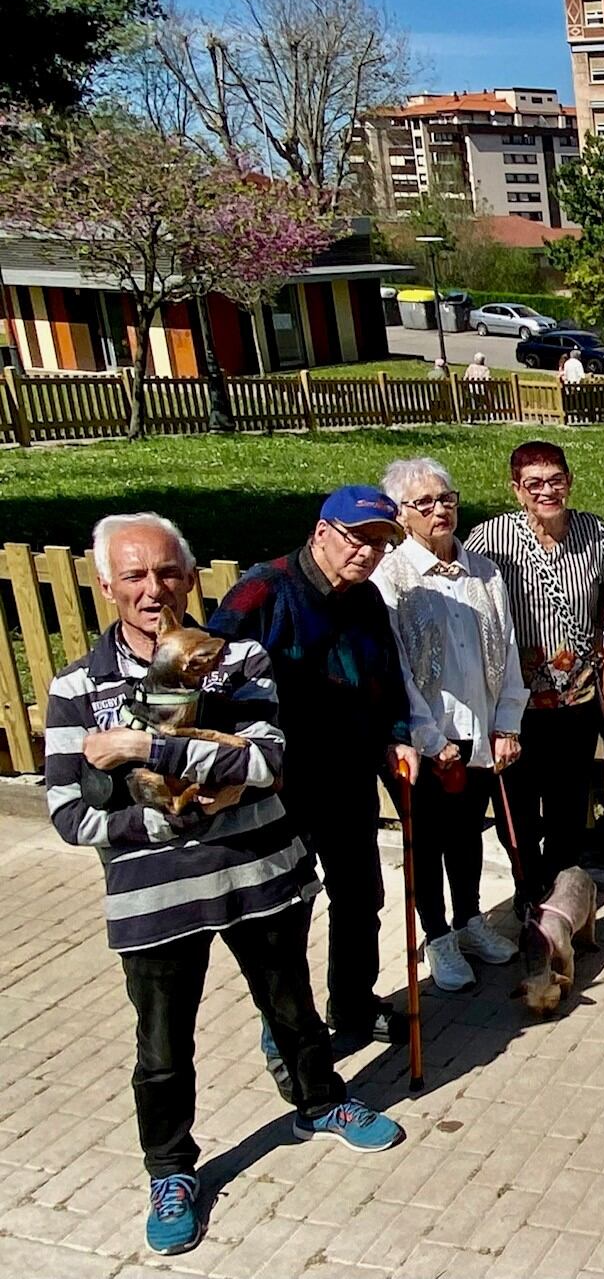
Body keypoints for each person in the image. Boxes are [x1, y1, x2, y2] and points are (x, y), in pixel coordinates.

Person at [46, 513, 402, 1257]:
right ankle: (171, 1169)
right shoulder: (78, 685)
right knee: (163, 1045)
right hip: (155, 895)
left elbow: (268, 759)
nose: (155, 589)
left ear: (191, 575)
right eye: (136, 575)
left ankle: (320, 1101)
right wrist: (174, 819)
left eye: (168, 572)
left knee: (294, 1008)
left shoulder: (233, 659)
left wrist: (144, 748)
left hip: (256, 874)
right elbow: (70, 811)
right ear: (106, 584)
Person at [210, 487, 422, 1047]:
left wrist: (398, 737)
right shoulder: (265, 590)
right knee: (288, 910)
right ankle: (291, 1031)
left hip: (349, 776)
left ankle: (353, 1004)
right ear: (322, 531)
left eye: (381, 544)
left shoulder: (368, 600)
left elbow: (387, 679)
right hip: (283, 784)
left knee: (360, 897)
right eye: (360, 539)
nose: (369, 553)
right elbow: (213, 677)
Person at [372, 457, 530, 992]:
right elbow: (393, 670)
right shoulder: (390, 580)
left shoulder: (483, 570)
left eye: (447, 499)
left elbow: (506, 649)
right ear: (402, 515)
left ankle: (469, 922)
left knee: (467, 835)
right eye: (424, 503)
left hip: (479, 732)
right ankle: (437, 935)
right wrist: (431, 740)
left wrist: (507, 723)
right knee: (427, 842)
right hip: (424, 741)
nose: (440, 510)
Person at [467, 442, 604, 910]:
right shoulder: (490, 539)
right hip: (516, 704)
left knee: (568, 802)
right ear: (517, 490)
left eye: (555, 480)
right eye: (534, 483)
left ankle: (561, 889)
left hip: (576, 700)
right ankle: (526, 887)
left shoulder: (593, 532)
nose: (546, 491)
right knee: (516, 805)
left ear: (569, 482)